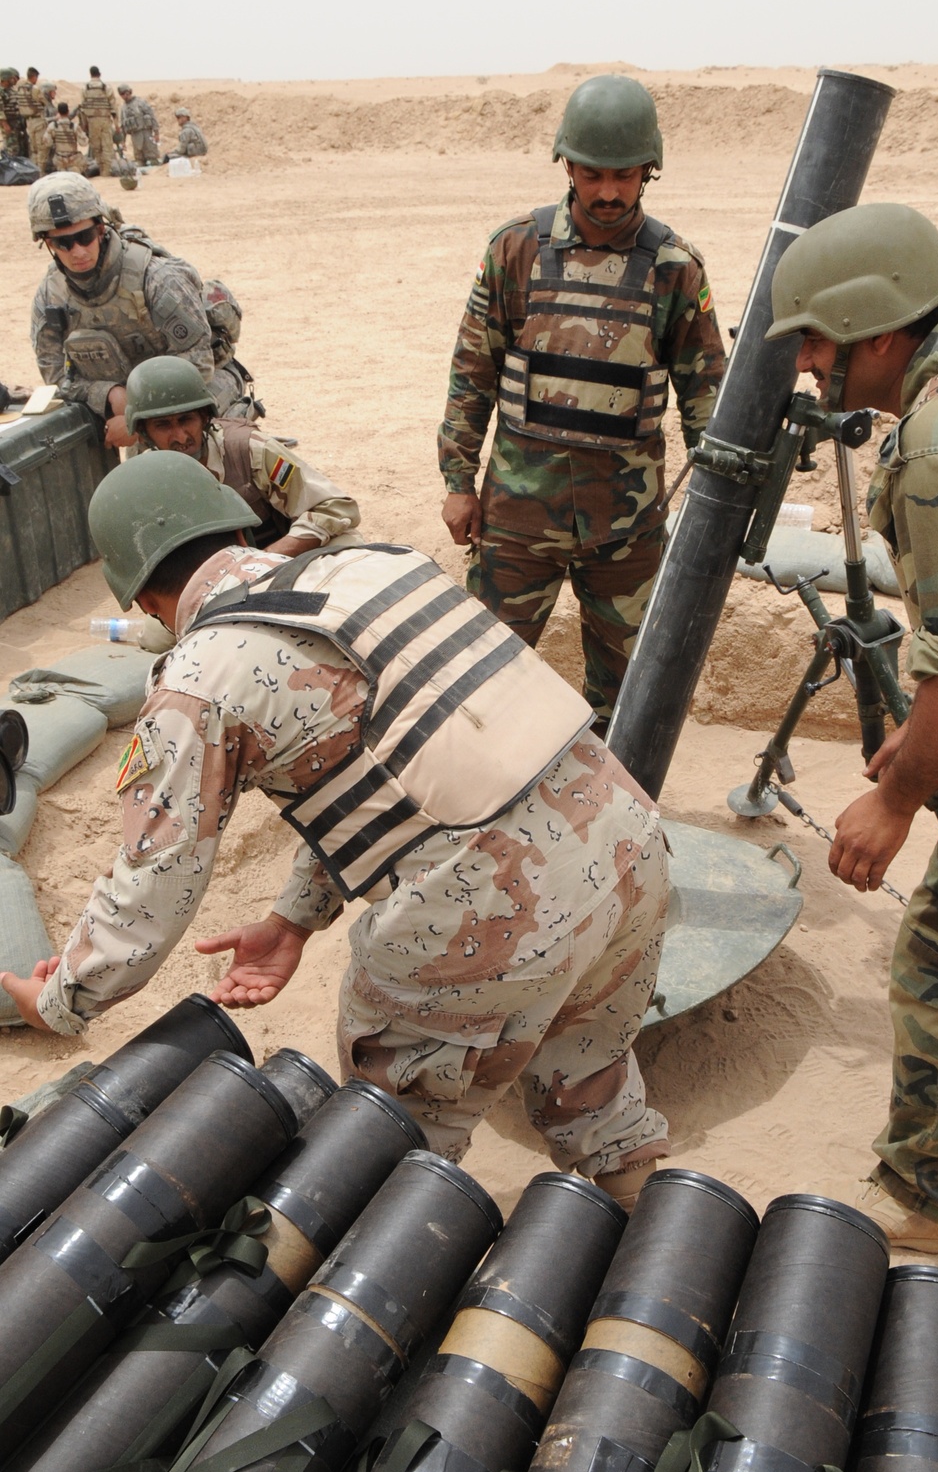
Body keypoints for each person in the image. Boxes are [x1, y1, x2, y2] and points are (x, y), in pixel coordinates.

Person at [0, 452, 672, 1208]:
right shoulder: (373, 566)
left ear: (147, 598)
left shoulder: (199, 676)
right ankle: (661, 1266)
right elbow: (398, 757)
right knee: (593, 1086)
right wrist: (294, 919)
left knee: (384, 1142)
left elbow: (152, 886)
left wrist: (58, 1001)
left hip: (492, 910)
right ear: (238, 527)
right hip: (628, 845)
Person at [767, 202, 938, 1255]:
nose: (810, 365)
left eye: (816, 338)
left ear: (882, 333)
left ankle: (928, 1198)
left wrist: (898, 796)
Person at [438, 74, 725, 730]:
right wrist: (458, 482)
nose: (608, 193)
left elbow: (706, 397)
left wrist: (717, 515)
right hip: (516, 516)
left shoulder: (675, 268)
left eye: (625, 176)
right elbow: (471, 376)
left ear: (649, 172)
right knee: (479, 682)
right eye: (593, 174)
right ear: (567, 165)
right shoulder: (515, 250)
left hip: (626, 528)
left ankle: (613, 810)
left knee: (631, 699)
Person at [29, 171, 246, 447]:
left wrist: (138, 421)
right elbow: (55, 374)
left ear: (100, 229)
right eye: (63, 243)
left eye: (84, 237)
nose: (77, 251)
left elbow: (198, 365)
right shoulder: (51, 295)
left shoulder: (156, 278)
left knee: (190, 443)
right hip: (131, 404)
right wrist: (107, 394)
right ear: (48, 243)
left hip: (199, 389)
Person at [125, 354, 362, 556]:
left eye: (187, 420)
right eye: (163, 425)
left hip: (286, 560)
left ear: (205, 418)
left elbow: (336, 508)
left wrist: (266, 560)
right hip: (216, 580)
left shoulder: (249, 451)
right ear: (144, 433)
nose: (180, 436)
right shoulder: (146, 479)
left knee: (345, 548)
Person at [77, 66, 117, 176]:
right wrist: (117, 124)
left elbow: (83, 108)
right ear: (99, 74)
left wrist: (84, 125)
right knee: (107, 146)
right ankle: (106, 171)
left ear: (90, 74)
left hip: (92, 121)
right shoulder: (106, 87)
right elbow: (114, 107)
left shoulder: (85, 88)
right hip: (105, 120)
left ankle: (100, 167)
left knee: (96, 146)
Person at [117, 84, 159, 166]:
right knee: (139, 161)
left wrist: (156, 132)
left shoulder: (140, 103)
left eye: (125, 93)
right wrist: (123, 141)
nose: (124, 96)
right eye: (122, 94)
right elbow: (123, 125)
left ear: (129, 92)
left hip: (146, 133)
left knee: (152, 159)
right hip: (135, 135)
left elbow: (152, 116)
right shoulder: (123, 108)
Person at [14, 67, 47, 167]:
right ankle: (40, 171)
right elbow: (44, 102)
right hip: (38, 121)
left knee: (32, 148)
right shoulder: (35, 89)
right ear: (34, 77)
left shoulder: (20, 88)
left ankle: (33, 169)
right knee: (41, 147)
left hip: (28, 122)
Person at [44, 102, 86, 174]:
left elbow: (47, 142)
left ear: (58, 112)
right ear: (68, 112)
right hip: (73, 159)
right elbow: (84, 143)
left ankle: (61, 170)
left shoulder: (53, 126)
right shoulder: (74, 127)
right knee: (84, 163)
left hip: (59, 159)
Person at [0, 67, 28, 158]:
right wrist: (5, 124)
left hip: (16, 123)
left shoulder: (11, 90)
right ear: (5, 78)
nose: (13, 80)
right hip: (9, 123)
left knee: (18, 147)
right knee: (11, 149)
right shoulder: (1, 92)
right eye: (11, 78)